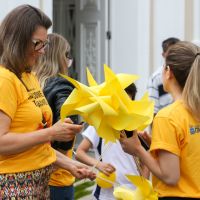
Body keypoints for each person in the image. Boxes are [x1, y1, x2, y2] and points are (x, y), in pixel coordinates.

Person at [0, 5, 95, 199]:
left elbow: (37, 145)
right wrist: (52, 132)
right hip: (13, 187)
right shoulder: (5, 79)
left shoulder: (29, 76)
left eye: (44, 44)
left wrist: (71, 165)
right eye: (37, 44)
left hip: (39, 185)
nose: (42, 51)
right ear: (17, 41)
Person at [120, 41, 200, 199]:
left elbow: (170, 176)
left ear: (168, 72)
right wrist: (153, 146)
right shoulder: (192, 111)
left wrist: (138, 149)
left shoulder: (167, 117)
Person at [76, 83, 149, 200]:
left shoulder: (136, 126)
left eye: (126, 104)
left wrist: (143, 189)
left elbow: (146, 162)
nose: (121, 108)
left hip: (133, 194)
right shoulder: (99, 124)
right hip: (105, 195)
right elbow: (79, 153)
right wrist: (99, 165)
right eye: (119, 103)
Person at [35, 33, 77, 200]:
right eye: (67, 55)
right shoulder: (61, 84)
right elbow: (68, 128)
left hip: (35, 173)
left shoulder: (33, 83)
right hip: (58, 178)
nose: (69, 60)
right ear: (60, 57)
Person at [147, 37, 180, 115]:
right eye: (171, 52)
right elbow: (153, 111)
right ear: (163, 54)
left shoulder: (188, 73)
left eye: (178, 51)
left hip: (188, 124)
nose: (175, 55)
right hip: (166, 123)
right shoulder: (156, 78)